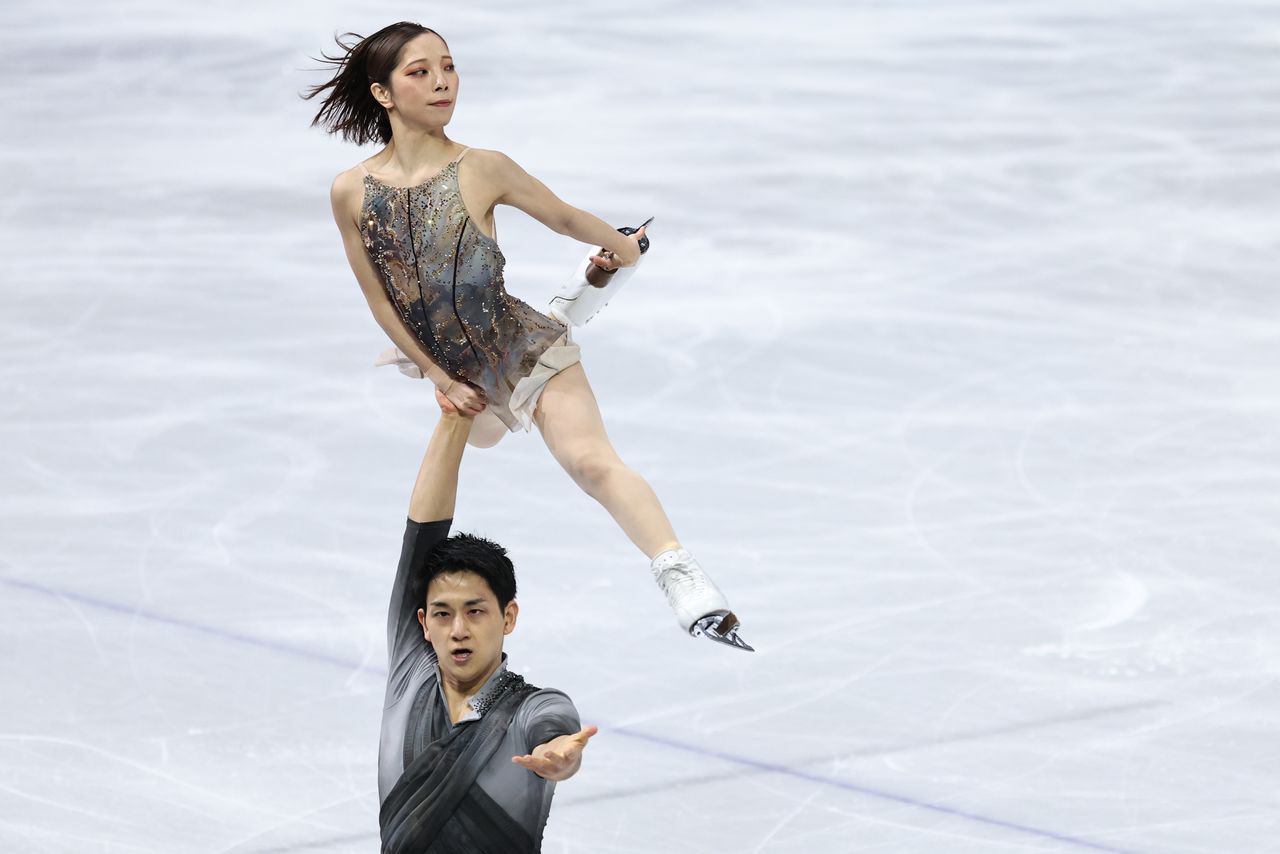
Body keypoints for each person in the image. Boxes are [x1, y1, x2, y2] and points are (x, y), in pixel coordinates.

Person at [304, 21, 751, 651]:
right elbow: (378, 300)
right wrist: (436, 376)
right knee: (483, 436)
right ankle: (577, 297)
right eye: (420, 71)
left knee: (590, 462)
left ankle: (682, 576)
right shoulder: (350, 191)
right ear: (382, 93)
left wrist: (623, 248)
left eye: (449, 66)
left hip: (522, 346)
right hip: (453, 366)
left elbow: (564, 215)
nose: (442, 82)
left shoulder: (482, 167)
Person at [378, 388, 595, 852]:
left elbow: (553, 731)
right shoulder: (410, 673)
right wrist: (453, 419)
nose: (458, 629)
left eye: (475, 611)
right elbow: (421, 534)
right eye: (443, 614)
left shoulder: (532, 708)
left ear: (508, 616)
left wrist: (556, 758)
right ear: (422, 621)